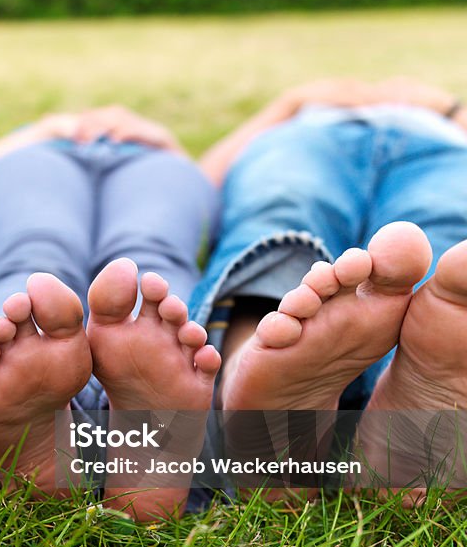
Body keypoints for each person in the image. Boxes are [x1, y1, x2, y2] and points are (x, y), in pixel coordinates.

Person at [191, 77, 467, 498]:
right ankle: (257, 377)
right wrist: (291, 103)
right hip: (312, 135)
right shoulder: (303, 113)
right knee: (280, 210)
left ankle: (414, 393)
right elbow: (197, 182)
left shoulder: (446, 119)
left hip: (443, 145)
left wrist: (449, 111)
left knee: (447, 252)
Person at [0, 106, 222, 520]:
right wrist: (39, 130)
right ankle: (143, 418)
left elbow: (222, 172)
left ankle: (51, 425)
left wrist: (164, 141)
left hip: (140, 156)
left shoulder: (155, 146)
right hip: (68, 153)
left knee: (35, 262)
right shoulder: (36, 138)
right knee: (147, 262)